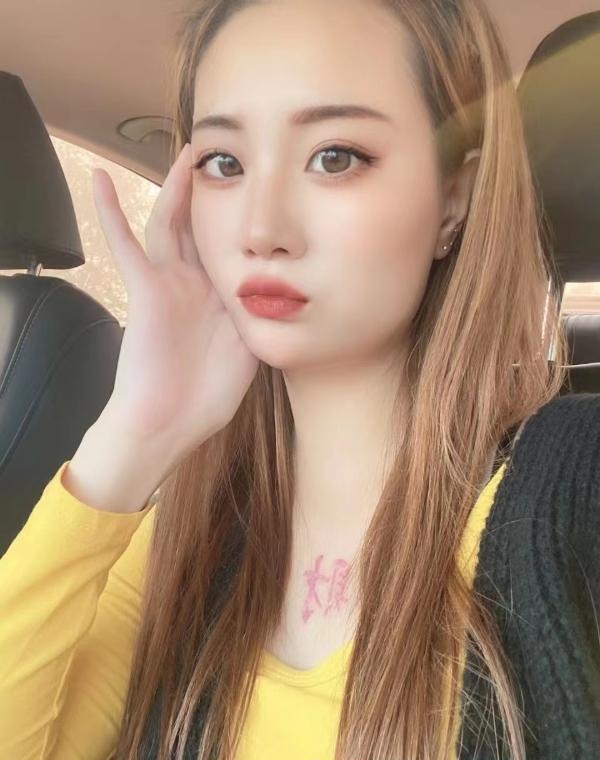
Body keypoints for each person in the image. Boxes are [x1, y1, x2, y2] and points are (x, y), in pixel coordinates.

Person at [0, 1, 578, 759]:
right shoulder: (186, 535)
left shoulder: (570, 504)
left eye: (335, 156)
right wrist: (137, 431)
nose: (260, 229)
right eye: (225, 164)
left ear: (453, 197)